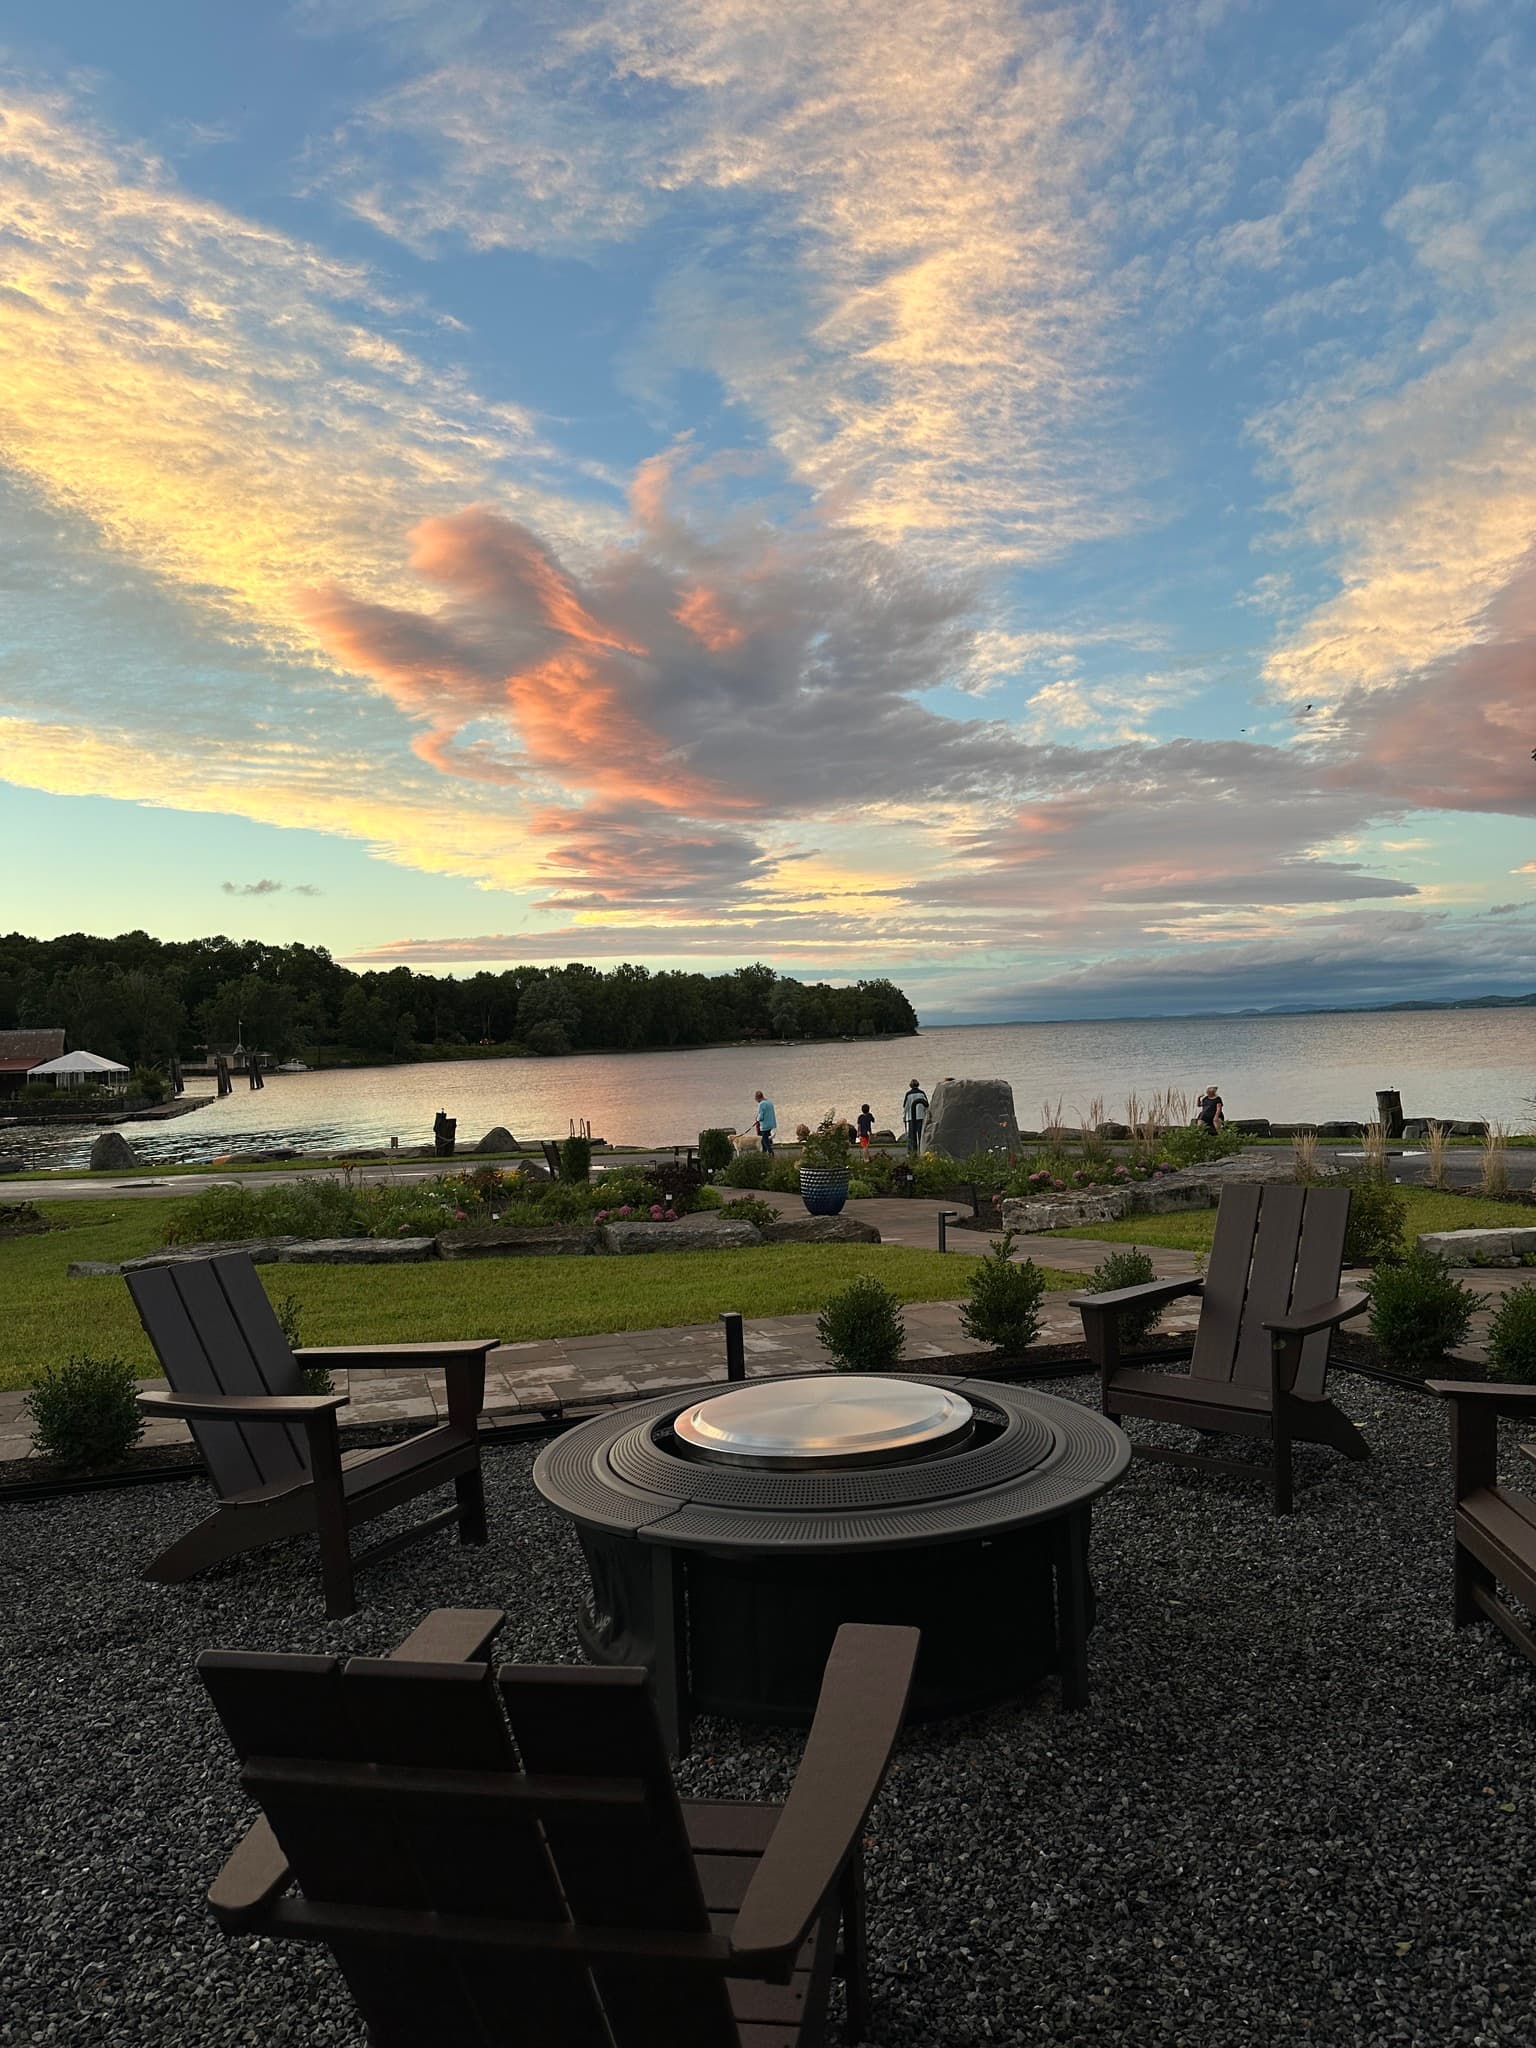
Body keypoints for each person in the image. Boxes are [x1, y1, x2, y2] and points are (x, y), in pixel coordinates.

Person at [902, 1078, 929, 1154]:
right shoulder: (922, 1093)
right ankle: (922, 1150)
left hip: (911, 1117)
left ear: (910, 1086)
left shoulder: (908, 1094)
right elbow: (926, 1105)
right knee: (921, 1134)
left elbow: (906, 1107)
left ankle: (912, 1151)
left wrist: (904, 1117)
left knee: (911, 1135)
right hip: (921, 1116)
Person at [753, 1088, 777, 1154]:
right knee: (764, 1140)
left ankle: (770, 1153)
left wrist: (757, 1119)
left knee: (765, 1140)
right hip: (771, 1124)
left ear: (757, 1098)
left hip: (764, 1125)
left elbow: (761, 1115)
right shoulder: (769, 1102)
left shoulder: (761, 1104)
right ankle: (764, 1153)